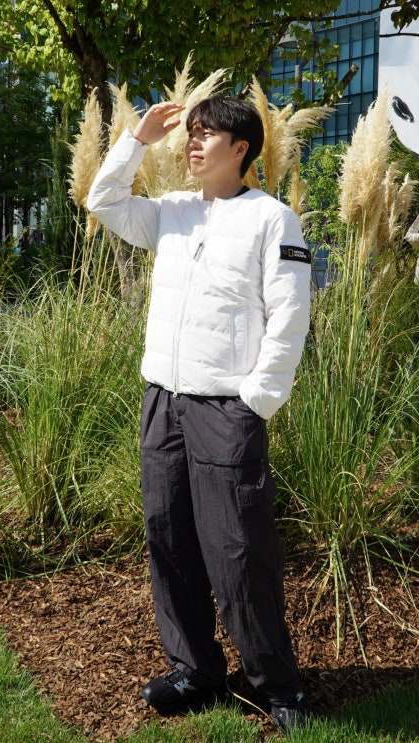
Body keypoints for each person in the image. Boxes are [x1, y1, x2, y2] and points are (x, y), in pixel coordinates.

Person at [87, 97, 312, 733]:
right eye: (190, 133)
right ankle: (195, 669)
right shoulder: (171, 213)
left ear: (241, 148)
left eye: (206, 134)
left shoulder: (272, 219)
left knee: (239, 550)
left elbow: (290, 315)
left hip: (225, 408)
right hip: (163, 401)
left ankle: (279, 687)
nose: (192, 143)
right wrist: (137, 139)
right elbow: (103, 200)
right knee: (169, 540)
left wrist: (256, 400)